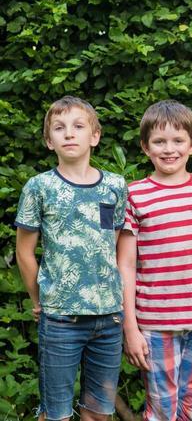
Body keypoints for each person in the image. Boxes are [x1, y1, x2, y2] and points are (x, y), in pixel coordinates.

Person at [117, 100, 192, 420]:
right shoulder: (134, 195)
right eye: (159, 141)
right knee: (161, 409)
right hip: (154, 323)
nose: (169, 149)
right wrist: (130, 328)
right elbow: (125, 264)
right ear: (145, 147)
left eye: (178, 140)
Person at [15, 96, 127, 421]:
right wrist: (38, 298)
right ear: (49, 141)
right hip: (60, 319)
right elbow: (24, 251)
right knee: (56, 414)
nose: (69, 133)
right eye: (59, 128)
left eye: (78, 126)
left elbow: (112, 245)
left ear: (95, 136)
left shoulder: (115, 186)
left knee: (99, 412)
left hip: (109, 318)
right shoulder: (39, 187)